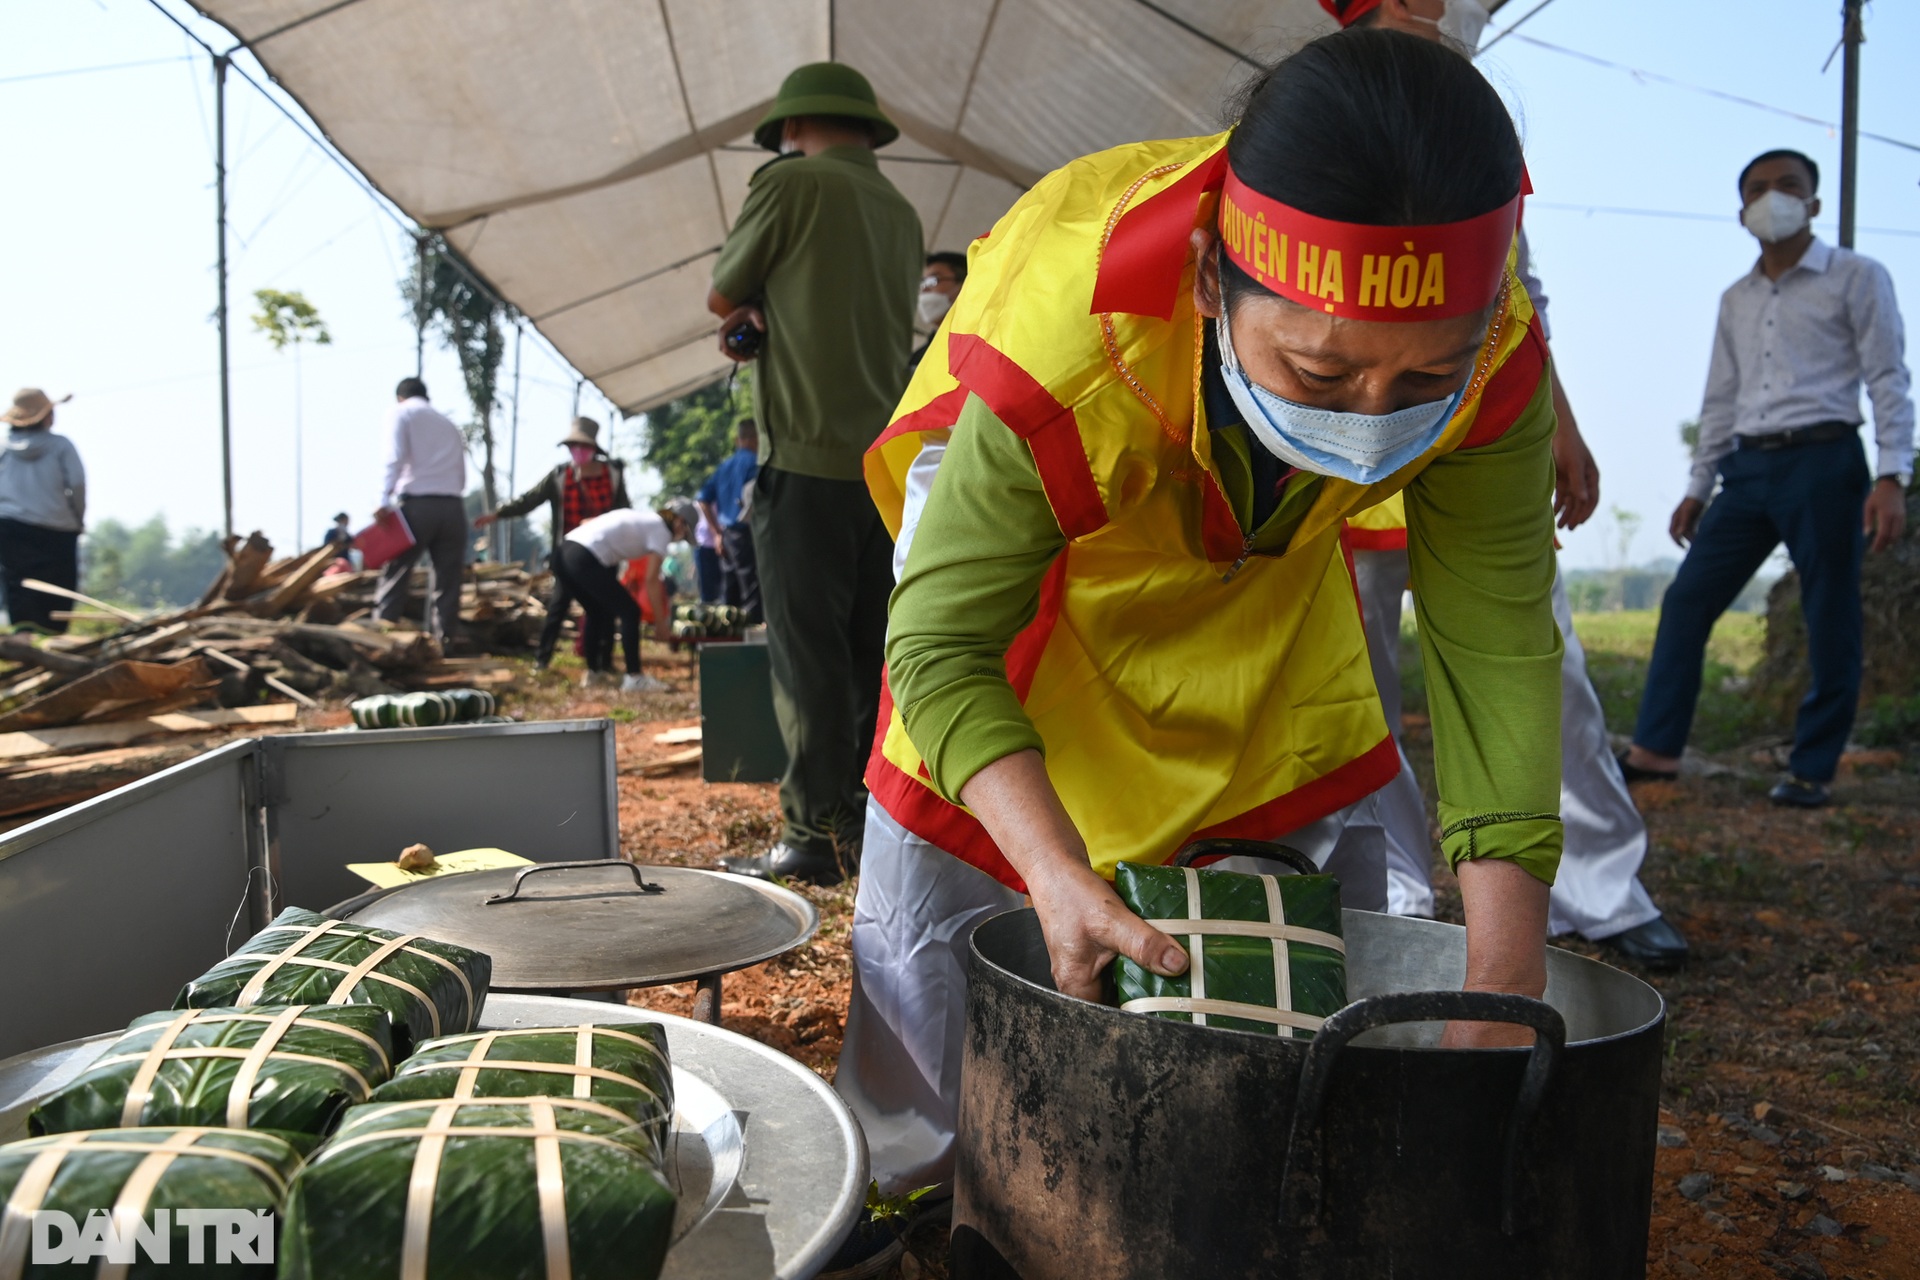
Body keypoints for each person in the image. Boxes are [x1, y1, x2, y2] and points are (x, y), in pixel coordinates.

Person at [840, 28, 1565, 1195]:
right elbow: (942, 642)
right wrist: (1052, 867)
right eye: (1320, 376)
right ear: (1211, 281)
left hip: (1260, 569)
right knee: (945, 983)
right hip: (1040, 564)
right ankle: (919, 1188)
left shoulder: (1491, 356)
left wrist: (1505, 984)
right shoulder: (1079, 330)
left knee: (1297, 902)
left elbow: (1498, 654)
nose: (1375, 415)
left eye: (1421, 379)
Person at [1323, 0, 1689, 969]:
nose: (1435, 9)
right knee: (1356, 682)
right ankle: (1397, 895)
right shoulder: (1316, 105)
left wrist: (1557, 416)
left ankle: (1602, 886)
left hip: (1477, 416)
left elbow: (1511, 285)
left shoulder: (1476, 118)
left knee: (1539, 662)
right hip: (1353, 434)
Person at [1623, 149, 1913, 808]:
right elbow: (1720, 397)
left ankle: (1812, 767)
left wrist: (1893, 473)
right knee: (1687, 599)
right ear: (1741, 213)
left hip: (1824, 461)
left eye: (1788, 186)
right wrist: (1699, 486)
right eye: (1757, 189)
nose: (1771, 197)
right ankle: (1656, 751)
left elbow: (1888, 377)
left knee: (1829, 612)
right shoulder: (1737, 299)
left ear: (1813, 203)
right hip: (1746, 470)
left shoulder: (1857, 277)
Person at [705, 62, 924, 885]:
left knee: (807, 661)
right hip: (883, 471)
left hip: (801, 459)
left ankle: (809, 835)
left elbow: (723, 294)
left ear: (791, 129)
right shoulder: (901, 213)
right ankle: (870, 831)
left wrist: (749, 316)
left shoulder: (789, 187)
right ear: (867, 129)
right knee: (872, 656)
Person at [476, 417, 630, 667]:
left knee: (605, 608)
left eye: (582, 446)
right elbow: (530, 500)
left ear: (593, 449)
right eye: (573, 446)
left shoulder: (612, 475)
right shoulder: (560, 476)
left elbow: (624, 512)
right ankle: (542, 660)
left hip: (604, 552)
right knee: (558, 606)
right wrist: (498, 514)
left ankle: (603, 662)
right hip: (570, 555)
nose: (577, 451)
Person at [555, 499, 696, 693]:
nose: (678, 540)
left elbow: (586, 523)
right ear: (679, 522)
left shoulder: (641, 518)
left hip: (562, 553)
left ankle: (593, 673)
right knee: (630, 611)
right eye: (684, 535)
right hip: (584, 557)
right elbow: (652, 580)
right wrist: (661, 623)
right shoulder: (661, 530)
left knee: (595, 611)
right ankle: (634, 677)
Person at [373, 377, 468, 645]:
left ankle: (382, 637)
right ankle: (444, 641)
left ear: (400, 397)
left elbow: (394, 457)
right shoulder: (447, 423)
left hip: (417, 505)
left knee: (397, 572)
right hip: (452, 507)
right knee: (447, 581)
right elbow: (461, 472)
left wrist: (383, 498)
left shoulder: (400, 413)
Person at [0, 388, 84, 634]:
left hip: (11, 526)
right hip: (57, 528)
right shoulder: (61, 446)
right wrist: (77, 518)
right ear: (46, 417)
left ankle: (23, 635)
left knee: (18, 583)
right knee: (58, 585)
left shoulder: (4, 449)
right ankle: (52, 636)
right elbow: (77, 484)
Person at [695, 418, 762, 620]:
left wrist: (716, 534)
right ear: (757, 439)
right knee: (752, 588)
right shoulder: (755, 463)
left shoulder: (724, 467)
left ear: (737, 439)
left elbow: (703, 500)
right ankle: (753, 633)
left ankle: (728, 636)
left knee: (730, 591)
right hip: (747, 533)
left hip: (726, 536)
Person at [909, 251, 968, 372]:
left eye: (933, 280)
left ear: (964, 284)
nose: (925, 288)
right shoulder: (920, 357)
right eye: (923, 282)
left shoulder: (973, 347)